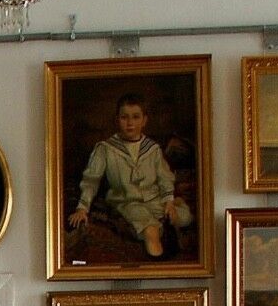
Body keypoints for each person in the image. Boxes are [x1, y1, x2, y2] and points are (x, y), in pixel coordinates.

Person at [66, 93, 193, 259]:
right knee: (150, 230)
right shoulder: (106, 148)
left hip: (153, 198)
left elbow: (164, 176)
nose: (130, 123)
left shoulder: (152, 149)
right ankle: (158, 266)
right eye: (124, 117)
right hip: (127, 201)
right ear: (117, 119)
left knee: (184, 218)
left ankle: (176, 205)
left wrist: (168, 200)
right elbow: (91, 180)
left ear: (144, 120)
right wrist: (82, 208)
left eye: (135, 117)